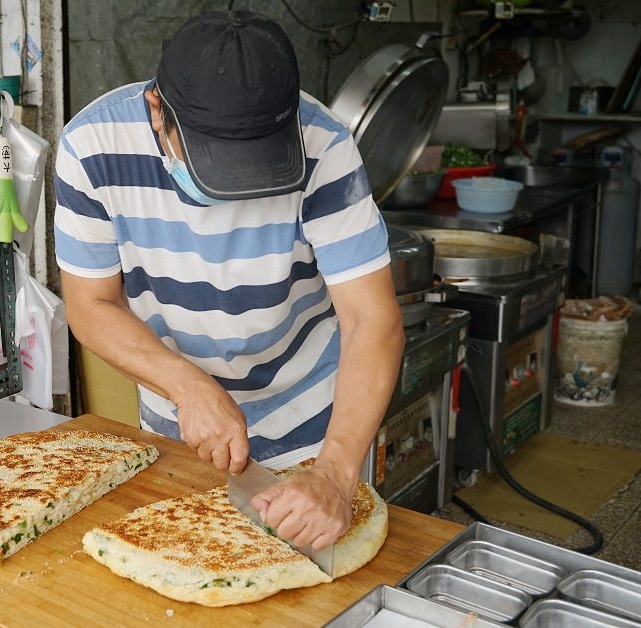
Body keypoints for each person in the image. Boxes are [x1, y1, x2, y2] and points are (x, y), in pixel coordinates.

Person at [53, 10, 404, 552]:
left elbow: (371, 317)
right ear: (157, 112)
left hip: (320, 428)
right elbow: (90, 303)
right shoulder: (91, 148)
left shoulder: (325, 144)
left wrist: (337, 473)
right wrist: (187, 387)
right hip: (179, 429)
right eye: (216, 163)